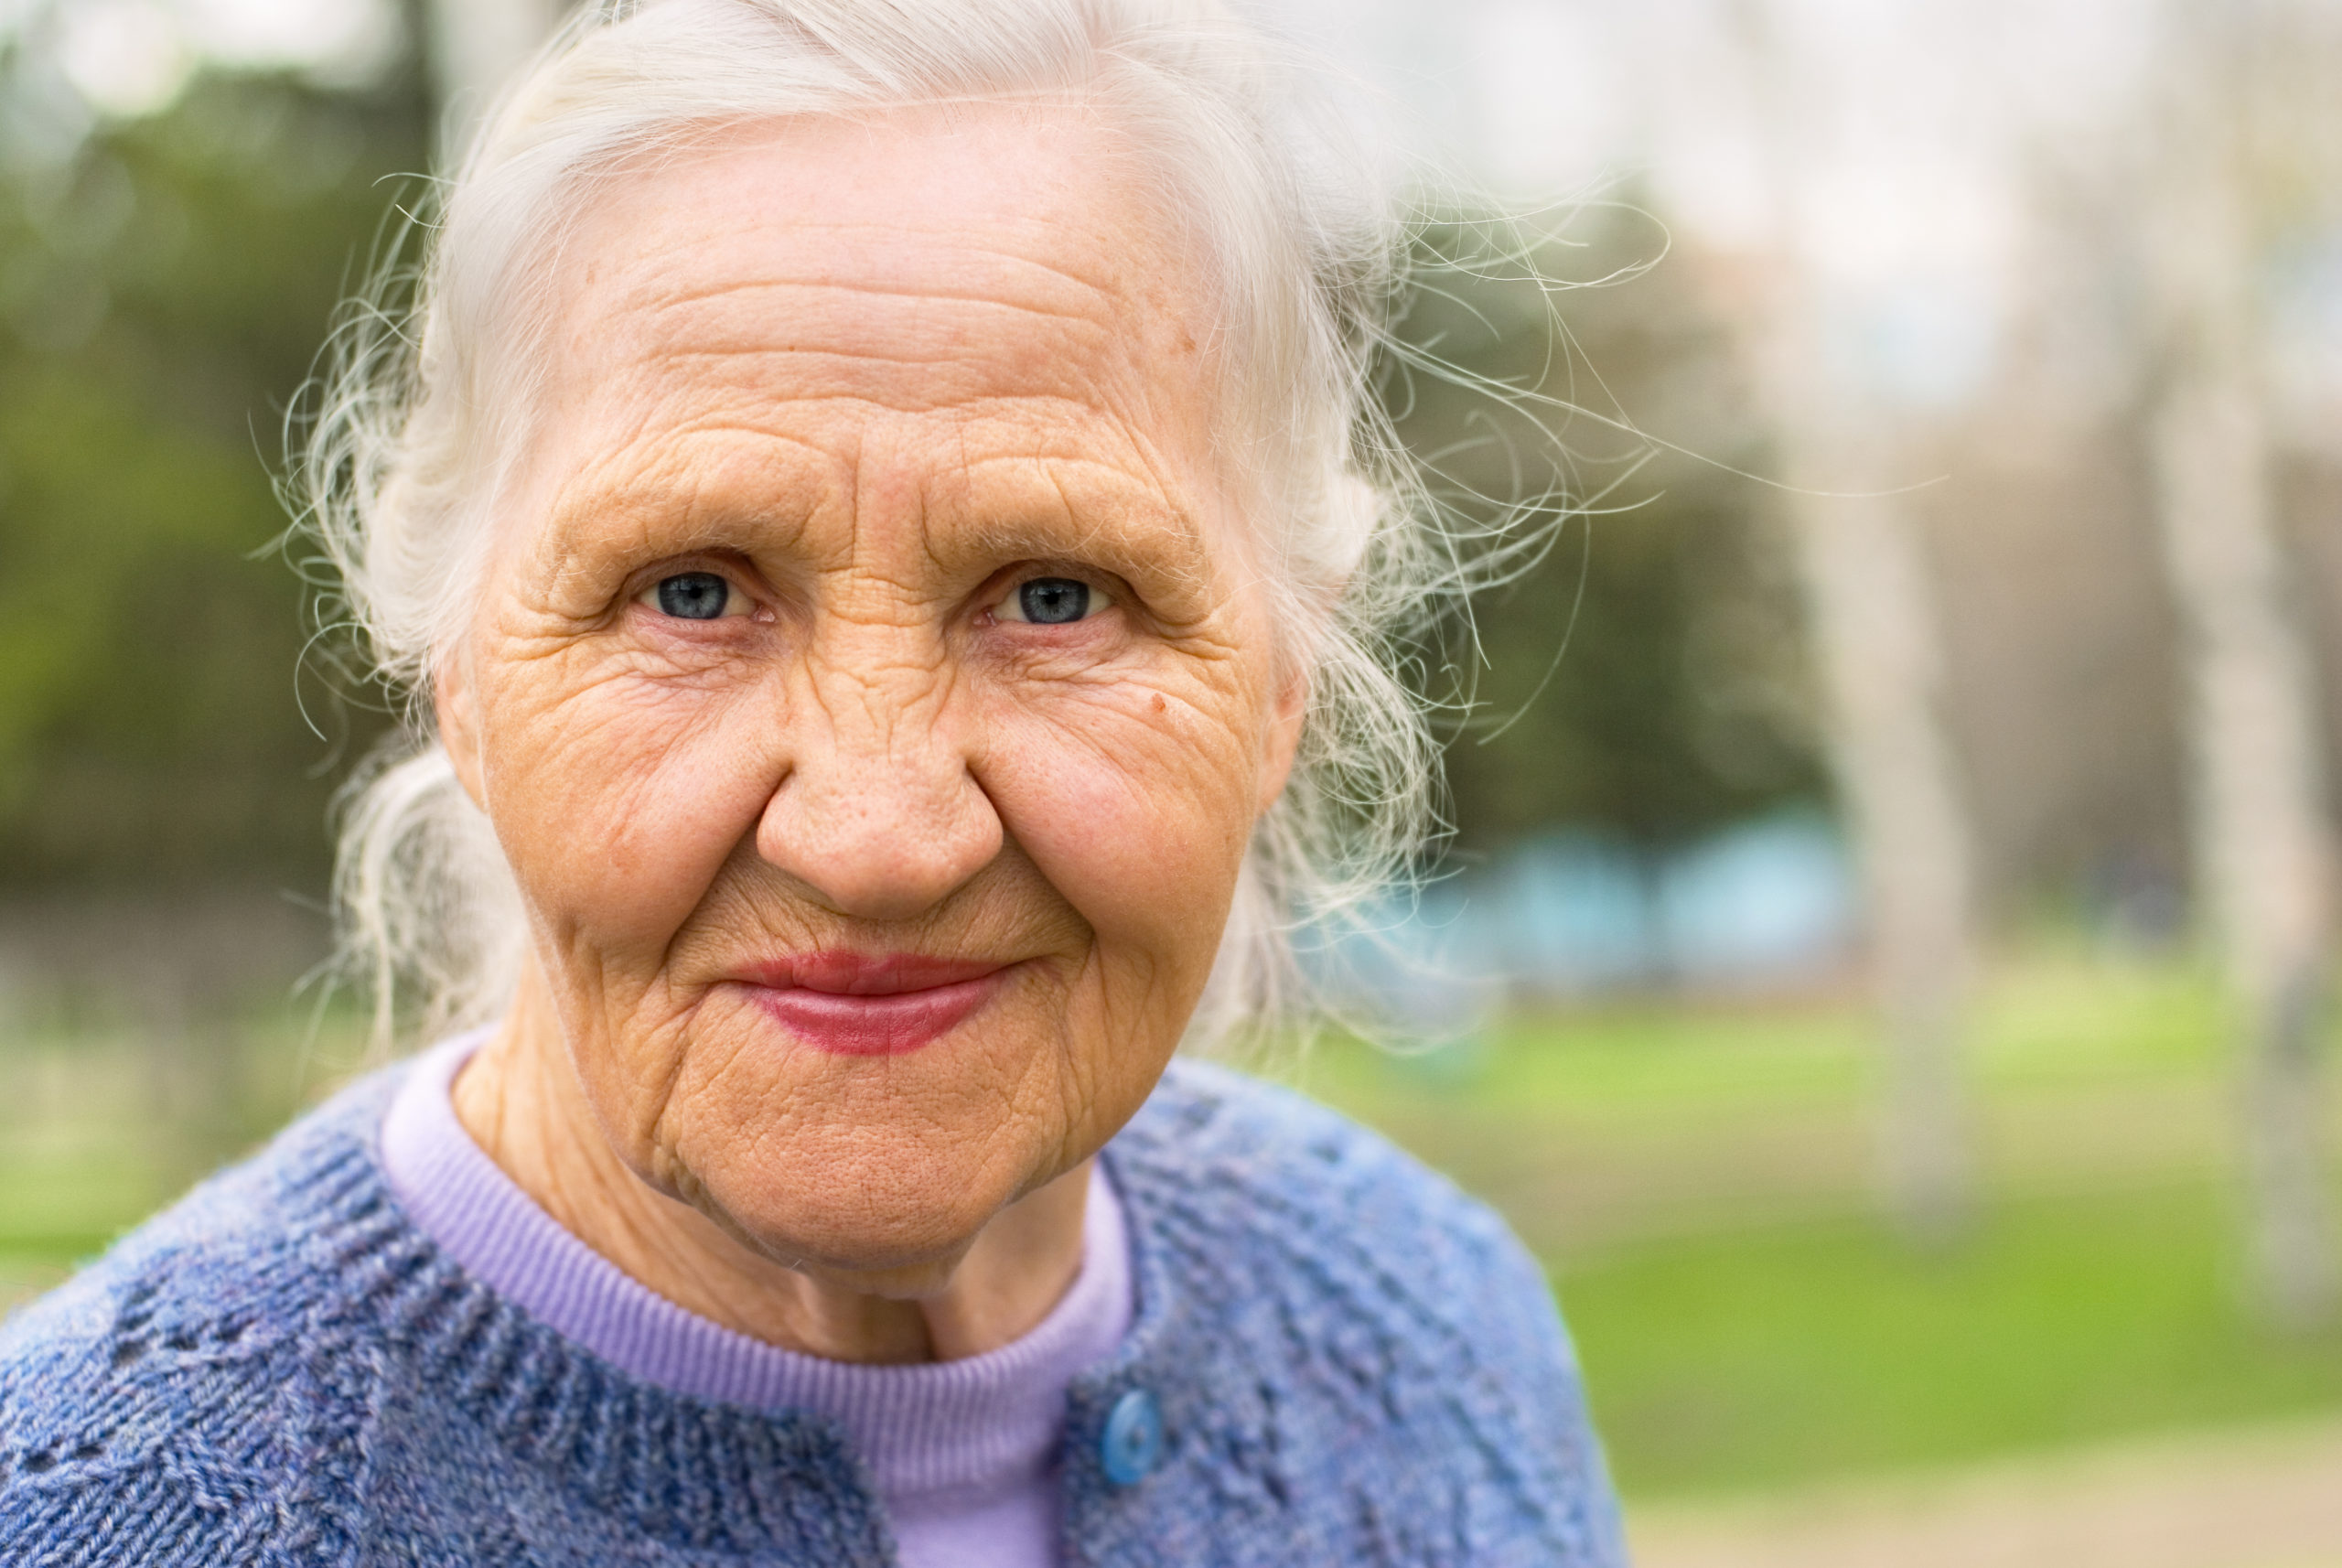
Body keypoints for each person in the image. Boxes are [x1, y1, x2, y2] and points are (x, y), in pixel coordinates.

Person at [0, 2, 1625, 1562]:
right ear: (463, 677)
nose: (878, 834)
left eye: (1055, 594)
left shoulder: (1433, 1332)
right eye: (691, 591)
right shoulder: (92, 1514)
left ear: (1278, 686)